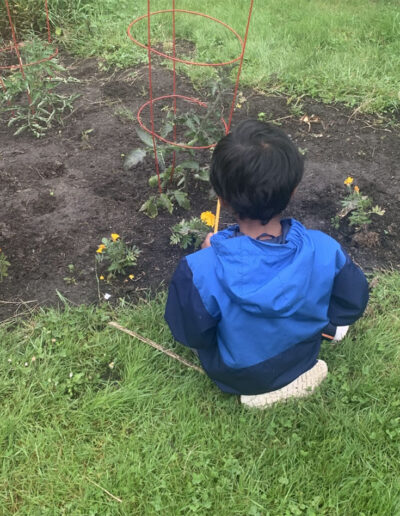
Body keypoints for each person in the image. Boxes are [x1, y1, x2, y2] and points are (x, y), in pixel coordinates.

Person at [164, 120, 369, 408]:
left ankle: (262, 391)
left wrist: (214, 256)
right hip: (303, 354)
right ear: (294, 190)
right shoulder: (324, 248)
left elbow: (190, 333)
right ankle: (312, 350)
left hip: (238, 374)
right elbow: (350, 304)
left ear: (220, 196)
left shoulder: (199, 269)